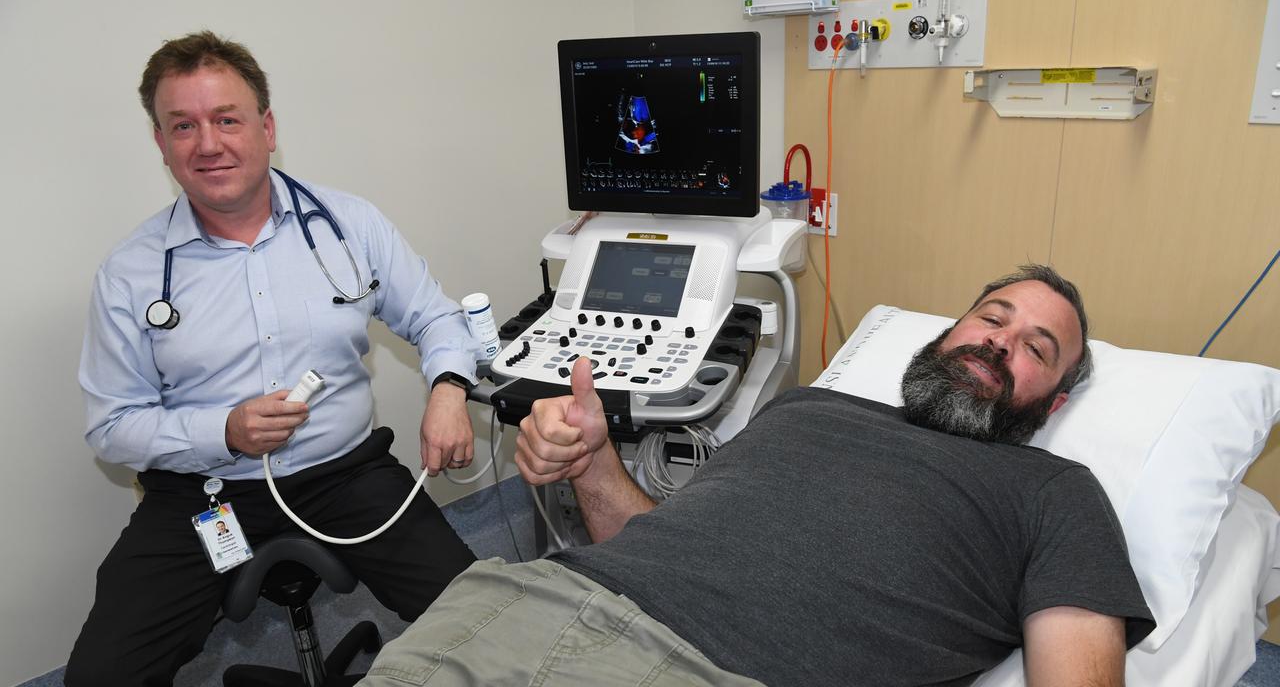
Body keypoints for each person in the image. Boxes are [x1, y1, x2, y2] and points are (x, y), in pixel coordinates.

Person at [358, 265, 1156, 686]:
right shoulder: (808, 406)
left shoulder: (1056, 493)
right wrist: (595, 459)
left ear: (1049, 406)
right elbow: (661, 541)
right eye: (992, 318)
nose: (1000, 343)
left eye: (1037, 349)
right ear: (951, 331)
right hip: (528, 601)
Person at [69, 31, 480, 685]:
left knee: (486, 627)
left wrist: (450, 391)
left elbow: (437, 318)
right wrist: (221, 431)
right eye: (184, 125)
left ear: (266, 126)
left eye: (226, 119)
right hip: (206, 494)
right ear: (161, 143)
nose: (208, 143)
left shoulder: (349, 224)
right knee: (102, 675)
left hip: (345, 474)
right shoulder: (131, 272)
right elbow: (111, 426)